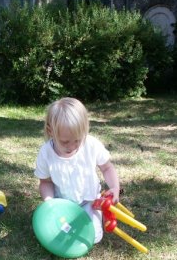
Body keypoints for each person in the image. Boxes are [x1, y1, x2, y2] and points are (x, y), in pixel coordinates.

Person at [34, 97, 120, 244]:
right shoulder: (46, 153)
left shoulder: (91, 145)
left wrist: (114, 187)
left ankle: (101, 213)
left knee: (92, 237)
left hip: (89, 200)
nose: (72, 146)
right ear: (51, 132)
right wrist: (49, 202)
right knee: (55, 235)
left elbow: (107, 168)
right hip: (62, 204)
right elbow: (45, 182)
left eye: (77, 140)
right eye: (65, 142)